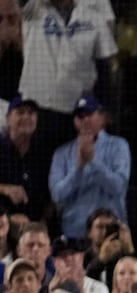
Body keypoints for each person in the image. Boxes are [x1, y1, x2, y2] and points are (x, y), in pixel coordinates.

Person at [47, 94, 129, 239]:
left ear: (102, 117)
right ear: (75, 121)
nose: (85, 120)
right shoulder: (61, 153)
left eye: (89, 114)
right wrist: (78, 168)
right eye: (80, 116)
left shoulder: (118, 146)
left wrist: (93, 161)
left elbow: (119, 186)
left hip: (111, 230)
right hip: (75, 231)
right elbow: (57, 195)